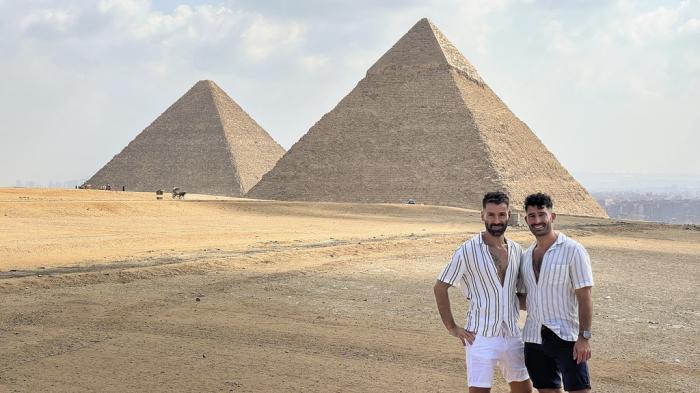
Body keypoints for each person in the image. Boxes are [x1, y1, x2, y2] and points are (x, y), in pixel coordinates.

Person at [434, 191, 532, 393]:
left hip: (513, 333)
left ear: (508, 215)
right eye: (491, 215)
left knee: (524, 389)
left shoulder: (517, 251)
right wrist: (452, 327)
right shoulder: (467, 250)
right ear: (482, 215)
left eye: (501, 215)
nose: (497, 220)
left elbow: (520, 296)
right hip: (480, 336)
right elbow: (440, 287)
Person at [519, 193, 594, 393]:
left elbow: (584, 296)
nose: (537, 221)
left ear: (552, 216)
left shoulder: (573, 250)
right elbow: (528, 299)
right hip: (534, 337)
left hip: (566, 337)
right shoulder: (526, 257)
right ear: (526, 219)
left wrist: (584, 337)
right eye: (532, 216)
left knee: (579, 390)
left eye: (542, 214)